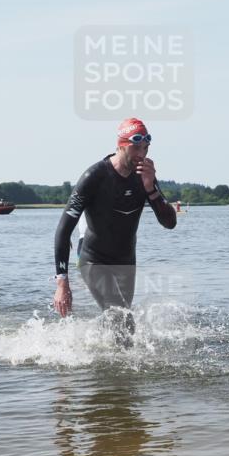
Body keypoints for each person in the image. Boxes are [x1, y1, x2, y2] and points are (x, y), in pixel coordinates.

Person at [52, 117, 176, 345]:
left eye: (146, 148)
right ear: (120, 145)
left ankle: (92, 348)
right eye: (135, 147)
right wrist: (62, 283)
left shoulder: (145, 176)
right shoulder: (95, 176)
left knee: (120, 322)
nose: (142, 154)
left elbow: (169, 223)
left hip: (126, 261)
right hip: (93, 260)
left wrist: (151, 189)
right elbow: (63, 230)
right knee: (124, 320)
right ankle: (127, 373)